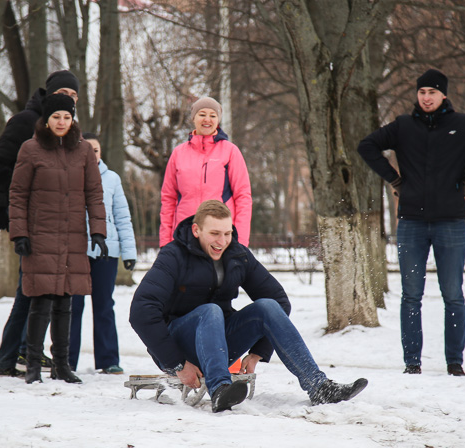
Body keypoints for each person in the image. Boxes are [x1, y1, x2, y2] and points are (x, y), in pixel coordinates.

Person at [129, 200, 368, 413]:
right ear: (196, 230)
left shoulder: (237, 256)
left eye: (227, 233)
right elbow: (141, 311)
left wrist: (258, 352)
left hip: (219, 345)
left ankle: (319, 387)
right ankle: (220, 389)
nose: (221, 242)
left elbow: (279, 301)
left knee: (267, 306)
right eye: (214, 233)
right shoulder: (173, 256)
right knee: (209, 310)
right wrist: (177, 363)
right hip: (181, 345)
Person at [357, 68, 465, 376]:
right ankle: (412, 362)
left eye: (432, 93)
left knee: (452, 293)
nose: (426, 98)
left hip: (450, 222)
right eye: (422, 92)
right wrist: (394, 179)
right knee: (411, 295)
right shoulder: (402, 126)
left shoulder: (463, 125)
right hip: (411, 221)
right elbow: (367, 146)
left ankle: (454, 362)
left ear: (444, 95)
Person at [0, 70, 81, 377]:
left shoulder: (64, 129)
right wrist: (4, 211)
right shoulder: (25, 122)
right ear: (49, 93)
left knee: (43, 292)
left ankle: (26, 353)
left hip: (57, 226)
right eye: (63, 92)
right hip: (29, 222)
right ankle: (9, 358)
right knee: (28, 292)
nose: (68, 99)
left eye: (74, 95)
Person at [8, 93, 106, 385]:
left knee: (65, 302)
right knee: (41, 301)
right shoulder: (31, 149)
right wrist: (20, 234)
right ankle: (34, 366)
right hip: (41, 237)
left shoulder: (84, 151)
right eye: (56, 117)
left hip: (73, 236)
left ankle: (62, 366)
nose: (62, 122)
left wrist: (98, 230)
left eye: (67, 116)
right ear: (46, 120)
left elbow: (94, 193)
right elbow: (17, 194)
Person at [68, 133, 137, 374]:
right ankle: (66, 360)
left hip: (107, 251)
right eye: (86, 149)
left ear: (100, 153)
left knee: (104, 306)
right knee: (73, 307)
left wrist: (129, 251)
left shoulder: (112, 179)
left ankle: (109, 360)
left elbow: (122, 217)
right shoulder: (69, 175)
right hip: (76, 252)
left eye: (95, 150)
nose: (91, 153)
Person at [159, 97, 252, 247]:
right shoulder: (178, 153)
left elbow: (243, 198)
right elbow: (168, 199)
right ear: (194, 118)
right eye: (202, 114)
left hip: (220, 238)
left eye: (213, 115)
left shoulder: (230, 152)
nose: (207, 119)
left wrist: (240, 242)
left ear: (218, 120)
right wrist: (165, 242)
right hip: (185, 235)